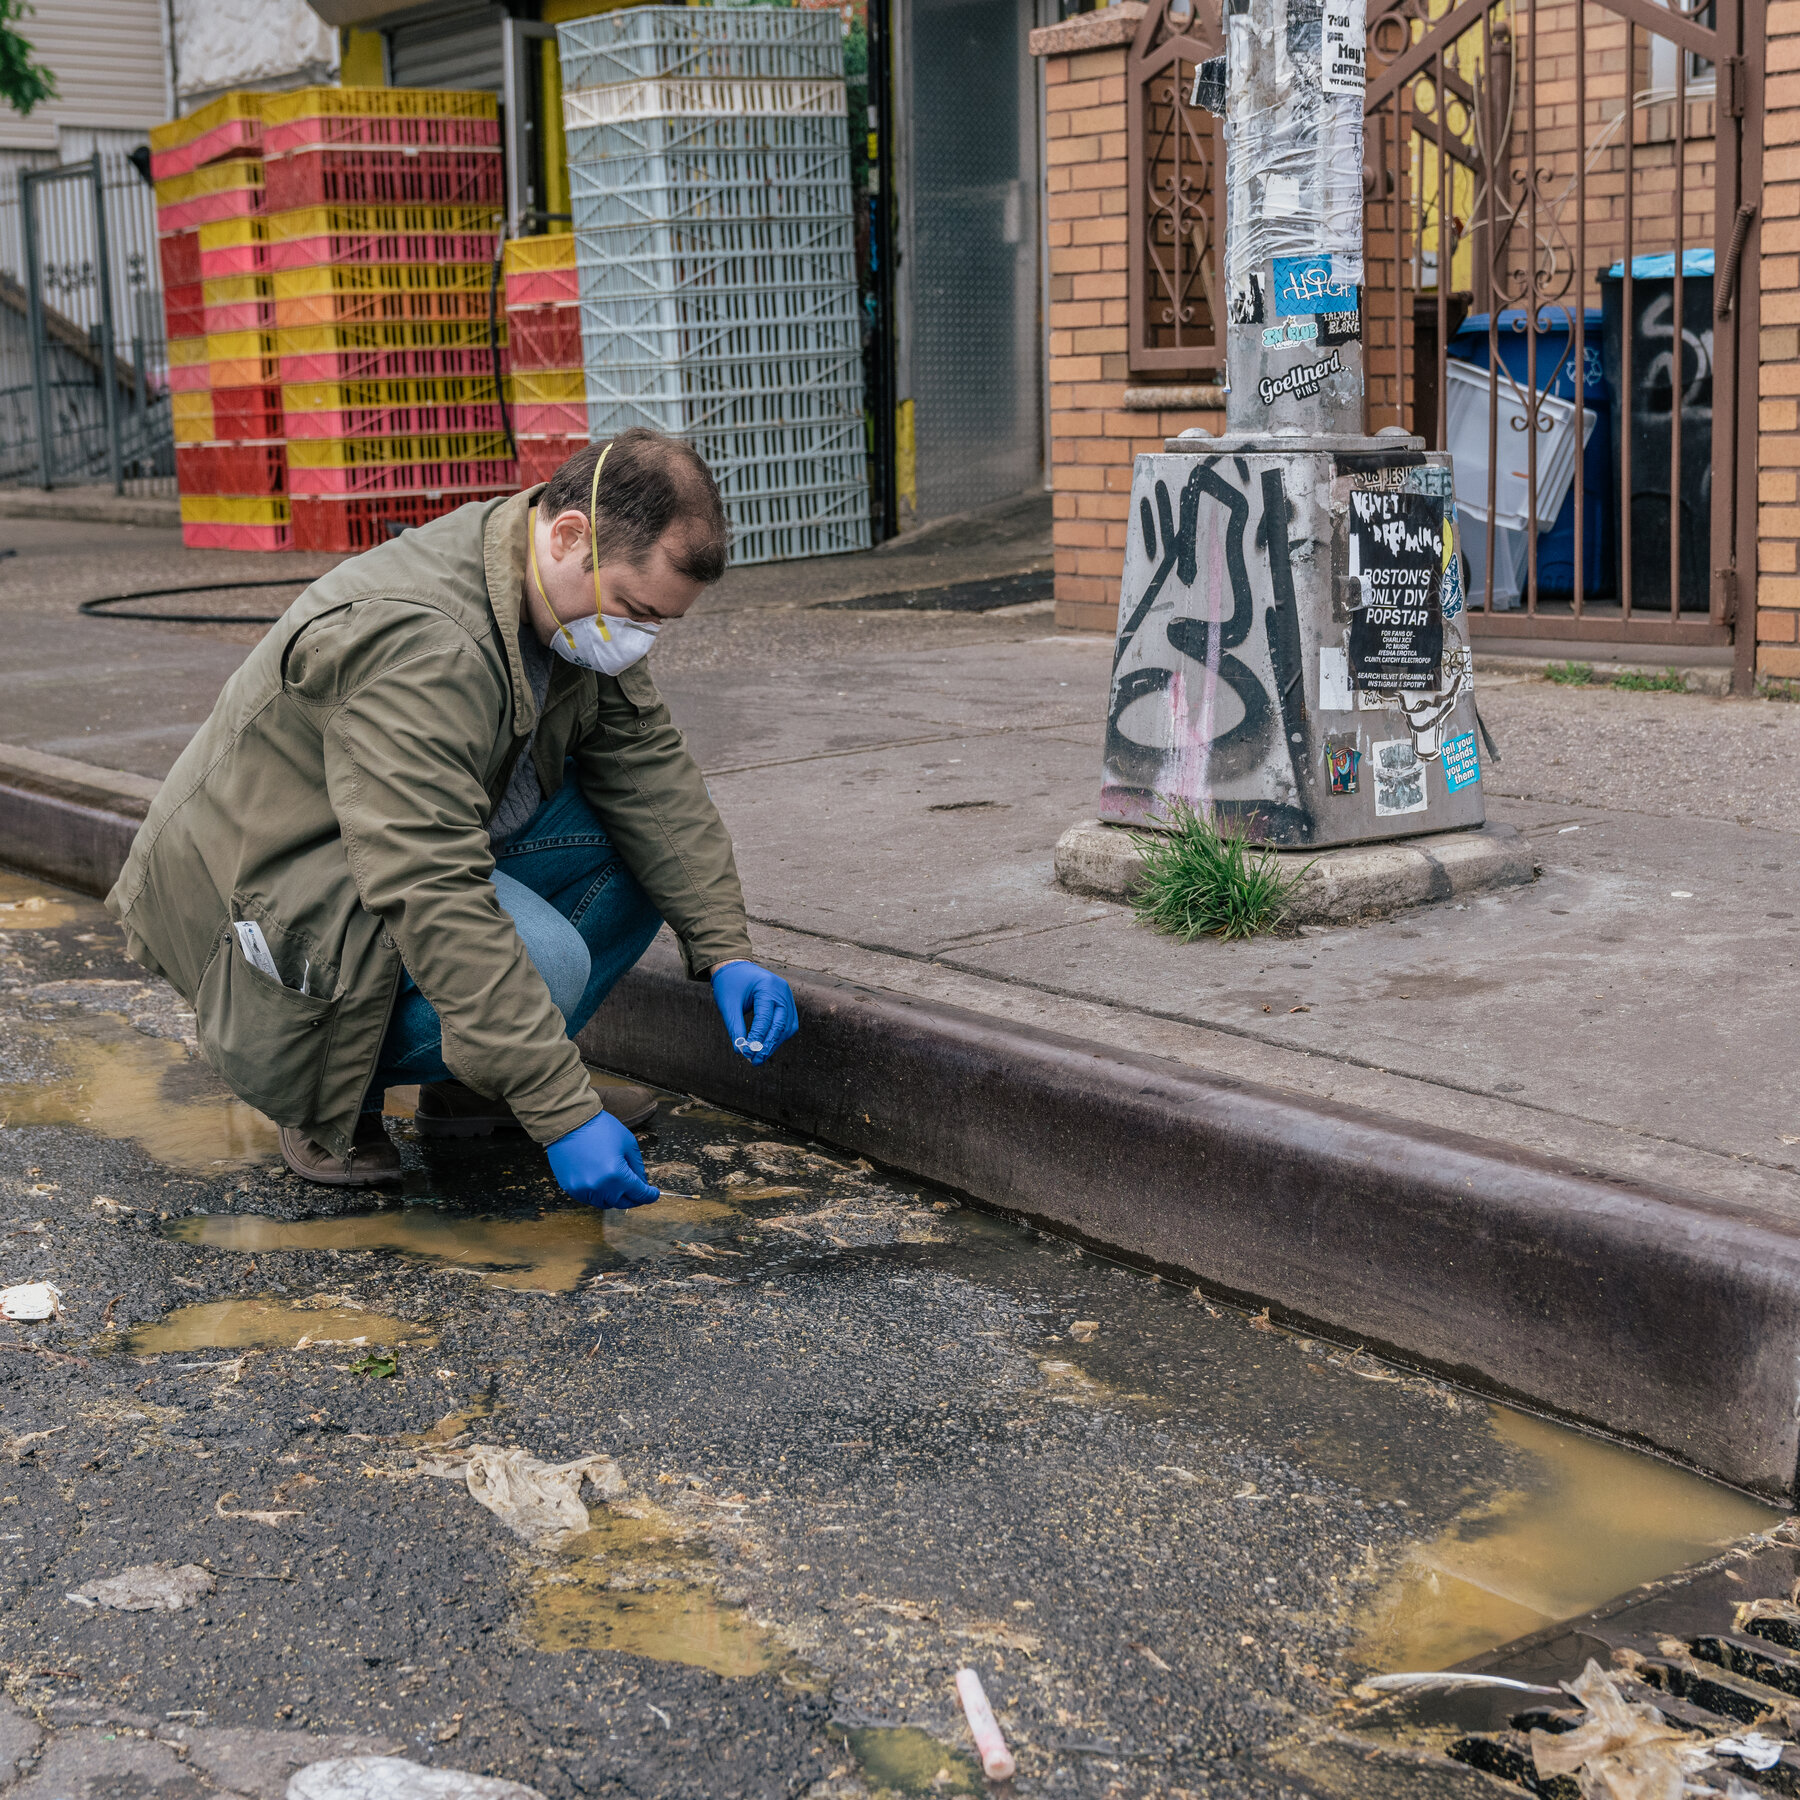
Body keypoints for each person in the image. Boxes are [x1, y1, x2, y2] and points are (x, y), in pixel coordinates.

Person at [106, 429, 797, 1208]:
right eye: (635, 611)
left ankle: (477, 1086)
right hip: (278, 907)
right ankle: (327, 1096)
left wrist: (726, 948)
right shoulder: (426, 643)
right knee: (548, 961)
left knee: (641, 852)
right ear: (570, 535)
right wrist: (563, 1110)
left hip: (378, 866)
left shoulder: (555, 589)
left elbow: (650, 776)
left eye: (658, 624)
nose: (638, 638)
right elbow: (431, 884)